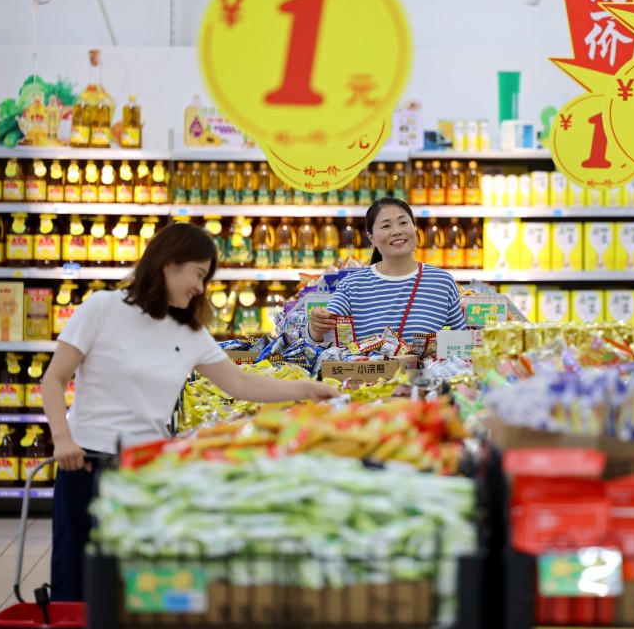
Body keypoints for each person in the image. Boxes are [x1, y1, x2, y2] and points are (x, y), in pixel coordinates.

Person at [42, 223, 338, 602]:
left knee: (142, 584)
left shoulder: (189, 332)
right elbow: (53, 380)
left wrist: (308, 389)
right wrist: (62, 440)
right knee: (77, 584)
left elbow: (241, 385)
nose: (201, 287)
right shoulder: (102, 308)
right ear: (168, 264)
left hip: (148, 470)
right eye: (198, 274)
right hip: (85, 464)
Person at [307, 197, 466, 343]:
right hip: (370, 374)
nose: (397, 231)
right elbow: (322, 333)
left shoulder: (442, 282)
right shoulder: (352, 285)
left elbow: (461, 342)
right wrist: (316, 324)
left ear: (415, 228)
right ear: (371, 238)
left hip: (423, 375)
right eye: (386, 226)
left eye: (403, 223)